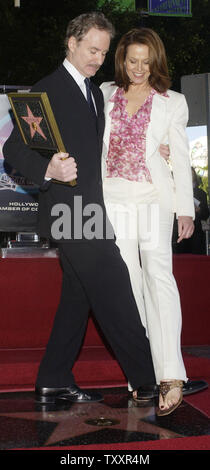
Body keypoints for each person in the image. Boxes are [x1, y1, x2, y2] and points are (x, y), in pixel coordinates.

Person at [3, 13, 158, 405]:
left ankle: (53, 377)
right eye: (92, 49)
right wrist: (48, 168)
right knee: (115, 287)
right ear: (71, 43)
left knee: (79, 298)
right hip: (71, 213)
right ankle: (150, 382)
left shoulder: (93, 92)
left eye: (104, 53)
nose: (98, 59)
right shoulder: (47, 90)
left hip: (89, 210)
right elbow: (13, 150)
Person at [100, 27, 197, 416]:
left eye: (146, 61)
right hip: (112, 199)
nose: (139, 68)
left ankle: (172, 373)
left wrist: (185, 208)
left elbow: (181, 157)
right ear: (121, 60)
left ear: (155, 62)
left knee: (160, 279)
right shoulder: (105, 94)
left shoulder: (173, 102)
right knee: (128, 285)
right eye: (131, 60)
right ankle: (142, 374)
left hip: (155, 199)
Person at [173, 167, 209, 254]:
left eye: (191, 174)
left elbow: (206, 214)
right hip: (178, 230)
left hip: (195, 231)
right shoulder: (175, 191)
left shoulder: (201, 193)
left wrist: (198, 210)